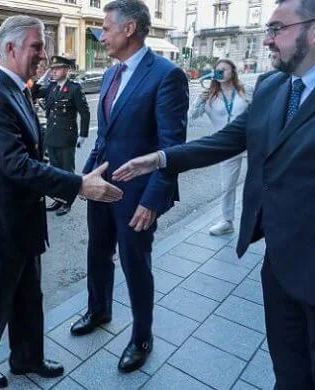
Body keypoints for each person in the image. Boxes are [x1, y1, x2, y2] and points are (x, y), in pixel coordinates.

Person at [113, 0, 315, 386]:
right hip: (278, 261)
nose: (267, 40)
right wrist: (160, 159)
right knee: (290, 370)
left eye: (276, 29)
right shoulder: (273, 85)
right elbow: (226, 140)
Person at [0, 15, 123, 388]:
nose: (43, 55)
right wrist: (78, 184)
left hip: (22, 216)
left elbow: (30, 154)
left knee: (29, 293)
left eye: (42, 47)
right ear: (11, 49)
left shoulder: (18, 89)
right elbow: (16, 164)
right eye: (36, 46)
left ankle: (27, 358)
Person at [69, 0, 189, 374]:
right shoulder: (111, 74)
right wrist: (86, 178)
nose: (101, 35)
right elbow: (105, 135)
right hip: (101, 186)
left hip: (138, 195)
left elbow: (173, 147)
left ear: (130, 29)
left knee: (136, 264)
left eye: (105, 28)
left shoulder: (166, 75)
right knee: (97, 253)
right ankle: (99, 308)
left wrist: (153, 199)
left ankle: (141, 337)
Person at [190, 59, 250, 236]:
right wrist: (198, 102)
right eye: (218, 70)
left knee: (260, 182)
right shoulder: (210, 96)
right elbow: (191, 117)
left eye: (225, 69)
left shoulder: (245, 91)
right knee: (227, 186)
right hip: (226, 147)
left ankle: (261, 218)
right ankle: (227, 221)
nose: (221, 73)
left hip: (251, 144)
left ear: (233, 71)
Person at [35, 55, 91, 216]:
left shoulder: (74, 88)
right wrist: (45, 77)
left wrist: (84, 134)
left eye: (56, 69)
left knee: (67, 171)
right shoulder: (52, 88)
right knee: (56, 171)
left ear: (66, 70)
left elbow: (85, 113)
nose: (53, 71)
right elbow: (34, 92)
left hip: (66, 137)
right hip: (52, 136)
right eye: (51, 69)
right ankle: (58, 199)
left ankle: (67, 202)